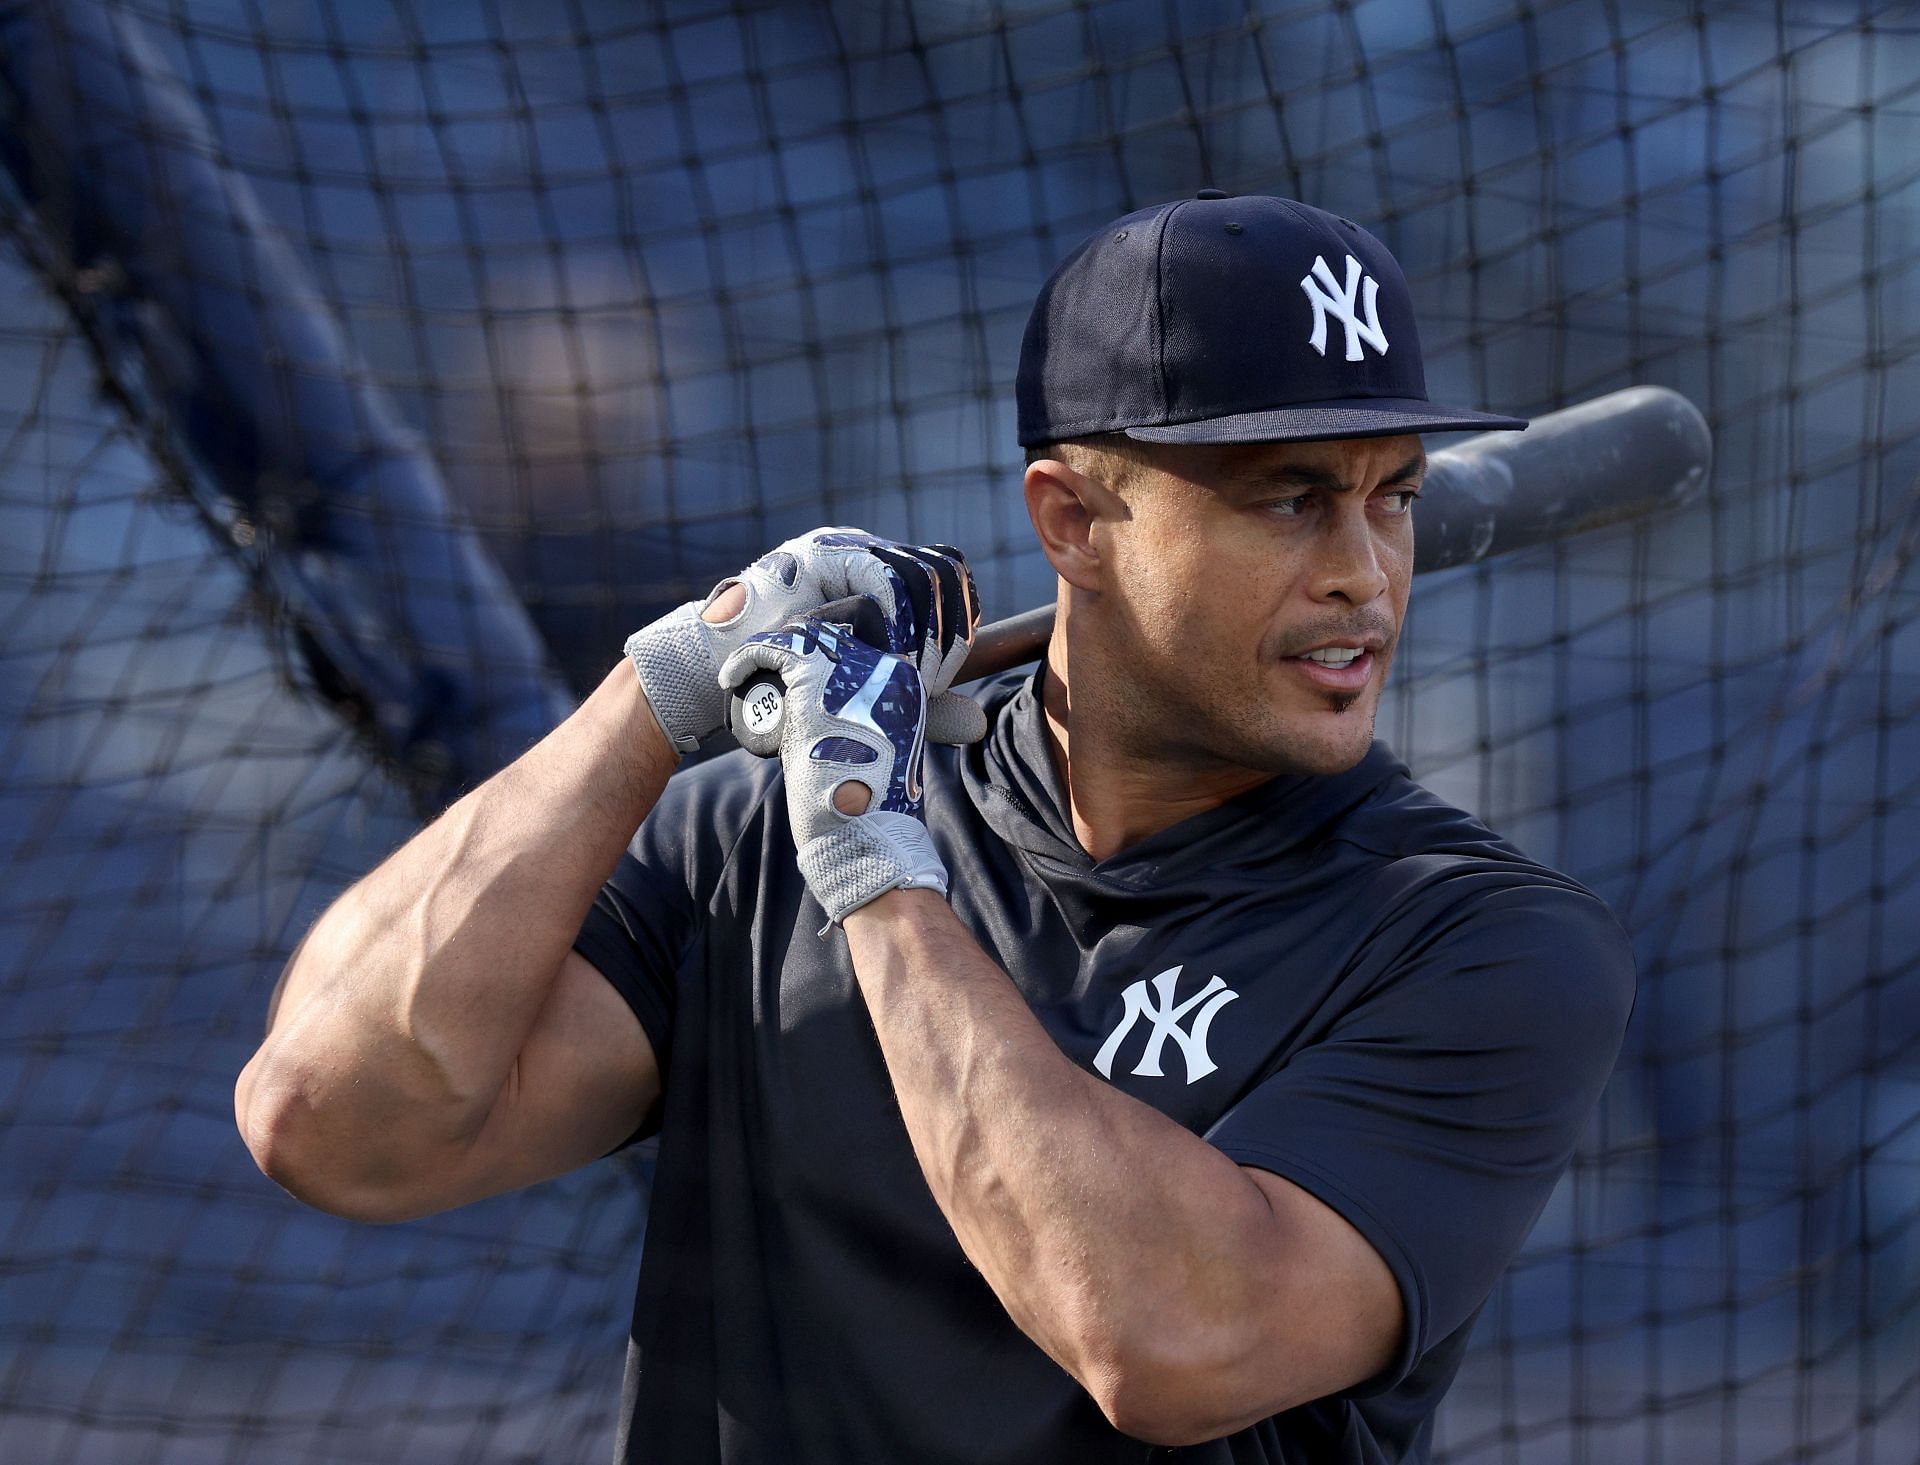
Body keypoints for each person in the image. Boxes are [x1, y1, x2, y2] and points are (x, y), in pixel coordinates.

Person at [236, 191, 1636, 1463]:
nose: (1364, 576)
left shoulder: (1479, 939)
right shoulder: (745, 851)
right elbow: (334, 1121)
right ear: (1073, 521)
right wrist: (655, 693)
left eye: (1393, 495)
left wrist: (879, 870)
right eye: (1290, 498)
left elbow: (1165, 1338)